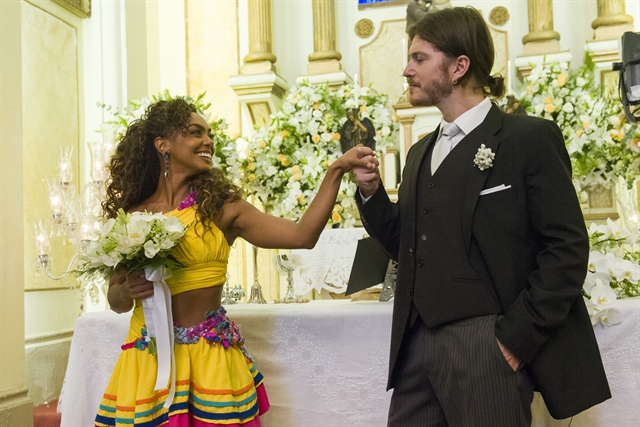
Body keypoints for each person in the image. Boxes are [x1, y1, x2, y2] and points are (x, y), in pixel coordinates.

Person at [352, 7, 610, 427]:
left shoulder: (527, 139)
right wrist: (371, 193)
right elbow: (406, 241)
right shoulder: (419, 153)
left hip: (486, 344)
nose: (406, 70)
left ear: (458, 67)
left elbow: (565, 249)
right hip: (415, 346)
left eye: (419, 58)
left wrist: (514, 341)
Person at [95, 98, 375, 426]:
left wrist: (336, 170)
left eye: (209, 134)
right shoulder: (132, 216)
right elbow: (115, 300)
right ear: (163, 145)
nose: (208, 141)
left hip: (210, 361)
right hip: (148, 363)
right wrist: (127, 290)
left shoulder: (223, 208)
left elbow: (303, 236)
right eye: (195, 133)